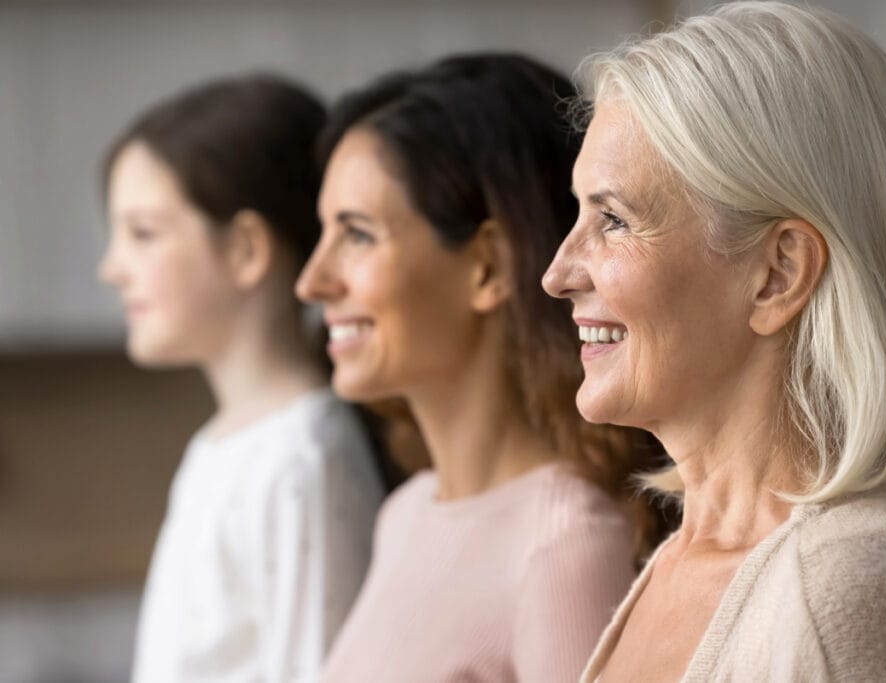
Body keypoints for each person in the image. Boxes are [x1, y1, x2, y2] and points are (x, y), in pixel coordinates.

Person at [542, 3, 886, 680]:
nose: (557, 274)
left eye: (613, 219)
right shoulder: (689, 558)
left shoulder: (846, 586)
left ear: (778, 274)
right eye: (579, 213)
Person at [296, 54, 666, 682]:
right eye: (323, 233)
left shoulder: (564, 547)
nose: (312, 282)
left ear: (489, 267)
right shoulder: (406, 515)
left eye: (357, 234)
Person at [98, 75, 384, 682]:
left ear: (248, 250)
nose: (111, 268)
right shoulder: (226, 445)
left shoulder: (303, 461)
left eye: (142, 233)